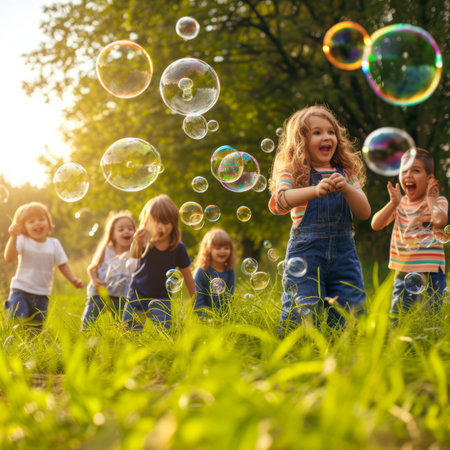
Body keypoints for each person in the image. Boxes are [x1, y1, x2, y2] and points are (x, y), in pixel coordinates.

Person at [268, 105, 371, 331]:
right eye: (317, 132)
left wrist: (347, 189)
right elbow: (280, 201)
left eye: (331, 132)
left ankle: (343, 355)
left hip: (344, 255)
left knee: (350, 309)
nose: (326, 137)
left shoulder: (346, 172)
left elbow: (364, 212)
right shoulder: (293, 172)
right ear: (300, 140)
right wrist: (314, 190)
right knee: (303, 309)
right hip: (306, 254)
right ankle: (297, 354)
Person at [371, 148, 448, 315]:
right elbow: (376, 224)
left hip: (432, 271)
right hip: (404, 270)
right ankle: (397, 339)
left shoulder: (438, 202)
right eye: (404, 170)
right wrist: (393, 203)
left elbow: (441, 221)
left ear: (429, 179)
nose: (408, 175)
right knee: (398, 314)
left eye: (416, 170)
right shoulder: (399, 204)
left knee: (432, 315)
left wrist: (432, 199)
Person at [3, 202, 83, 329]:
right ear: (23, 227)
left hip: (42, 294)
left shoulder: (54, 244)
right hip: (21, 290)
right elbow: (9, 257)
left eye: (41, 219)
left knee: (36, 328)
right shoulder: (23, 240)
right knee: (17, 324)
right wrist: (13, 237)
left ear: (48, 222)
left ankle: (31, 348)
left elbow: (62, 265)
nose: (37, 223)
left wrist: (73, 280)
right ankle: (12, 344)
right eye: (31, 221)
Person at [122, 194, 196, 329]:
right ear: (146, 223)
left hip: (163, 299)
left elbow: (187, 276)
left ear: (174, 224)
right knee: (129, 332)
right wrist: (137, 243)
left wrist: (194, 302)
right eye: (155, 221)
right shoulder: (143, 242)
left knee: (164, 333)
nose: (160, 227)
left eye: (166, 222)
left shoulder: (178, 247)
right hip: (137, 295)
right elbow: (132, 262)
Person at [81, 211, 137, 329]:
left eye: (130, 229)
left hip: (122, 295)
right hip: (101, 292)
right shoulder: (107, 249)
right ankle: (84, 337)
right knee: (89, 321)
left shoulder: (135, 253)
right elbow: (93, 267)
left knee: (124, 326)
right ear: (112, 235)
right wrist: (95, 280)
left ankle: (123, 344)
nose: (126, 231)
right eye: (121, 229)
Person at [193, 227, 236, 315]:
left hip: (225, 317)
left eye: (226, 248)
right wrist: (208, 317)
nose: (222, 251)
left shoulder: (230, 271)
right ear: (208, 250)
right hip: (204, 316)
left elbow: (230, 298)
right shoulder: (202, 272)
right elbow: (198, 300)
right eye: (218, 248)